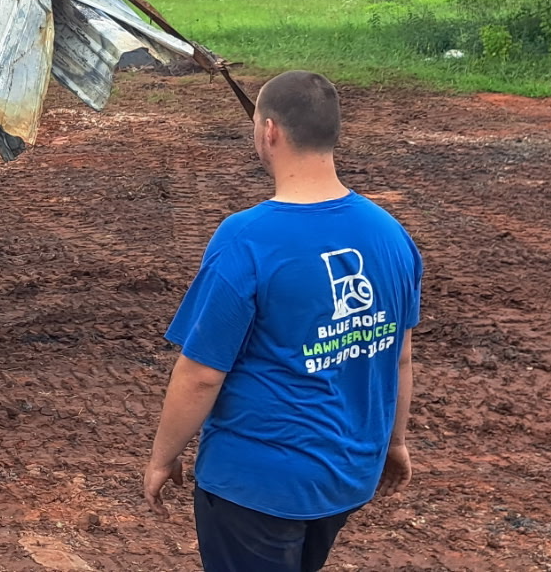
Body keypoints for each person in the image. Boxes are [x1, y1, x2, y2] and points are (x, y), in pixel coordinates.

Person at [142, 70, 421, 572]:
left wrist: (164, 457)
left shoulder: (248, 238)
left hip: (258, 484)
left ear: (269, 131)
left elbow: (202, 373)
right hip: (346, 475)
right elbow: (399, 356)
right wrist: (395, 442)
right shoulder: (390, 233)